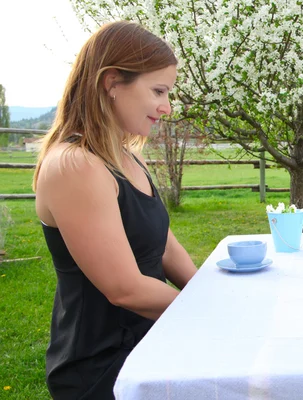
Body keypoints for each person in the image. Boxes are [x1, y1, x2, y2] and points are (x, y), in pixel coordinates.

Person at [32, 21, 198, 399]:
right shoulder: (74, 165)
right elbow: (124, 289)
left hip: (148, 341)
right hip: (103, 367)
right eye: (158, 90)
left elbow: (166, 247)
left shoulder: (127, 157)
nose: (166, 107)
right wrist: (204, 311)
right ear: (111, 83)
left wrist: (209, 292)